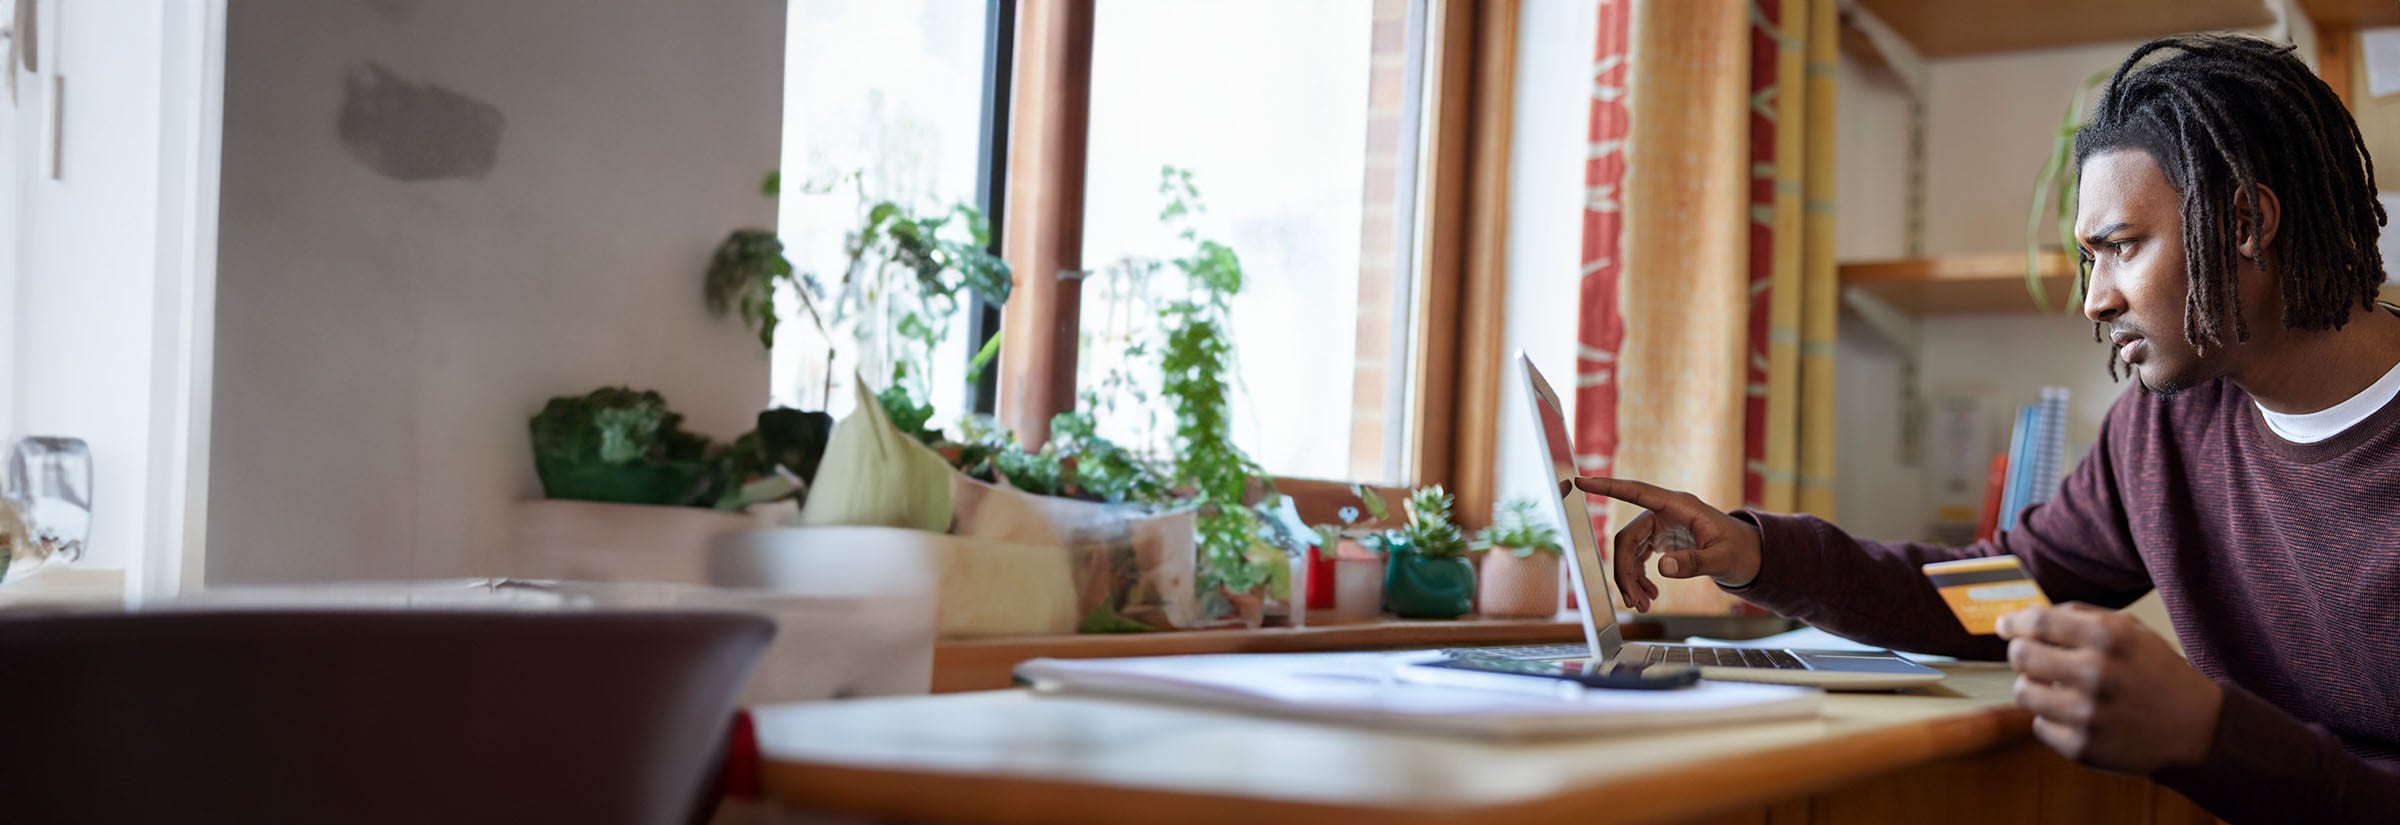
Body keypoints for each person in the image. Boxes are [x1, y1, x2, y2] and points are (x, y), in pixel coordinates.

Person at [1575, 34, 2398, 824]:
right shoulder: (2162, 432)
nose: (2095, 298)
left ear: (2247, 222)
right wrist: (1758, 551)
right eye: (2090, 259)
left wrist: (2212, 735)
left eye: (2122, 247)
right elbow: (2000, 593)